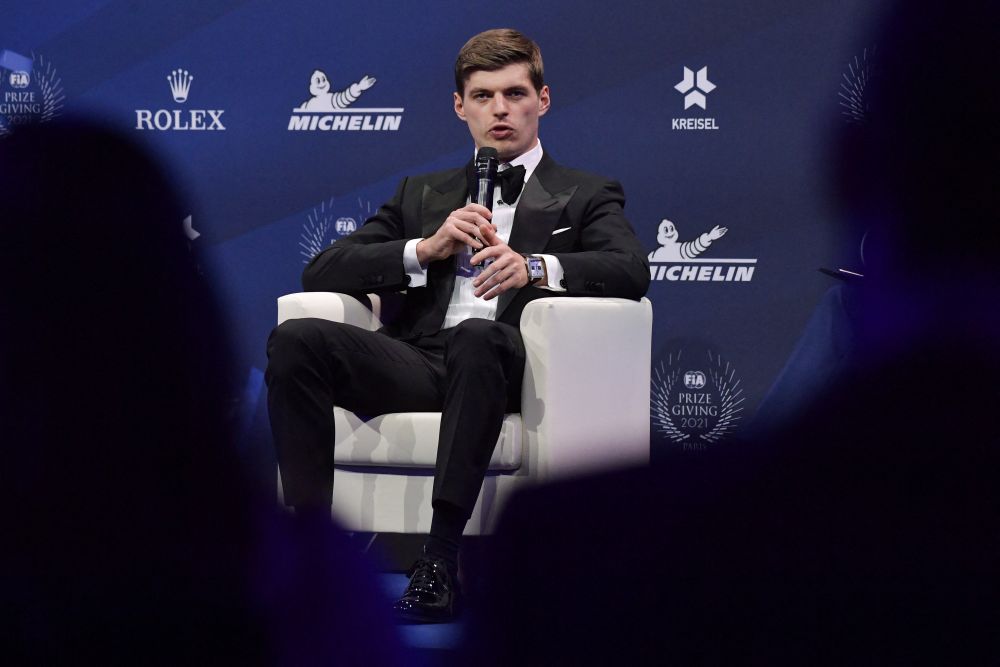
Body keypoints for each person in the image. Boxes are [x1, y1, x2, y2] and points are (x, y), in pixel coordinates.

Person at [266, 28, 649, 622]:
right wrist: (424, 247)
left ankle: (438, 559)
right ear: (460, 106)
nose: (500, 109)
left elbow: (629, 269)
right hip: (419, 360)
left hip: (509, 365)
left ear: (542, 101)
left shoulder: (585, 194)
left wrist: (534, 267)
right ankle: (313, 557)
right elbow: (324, 268)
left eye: (515, 93)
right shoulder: (423, 194)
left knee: (476, 338)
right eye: (483, 95)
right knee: (297, 339)